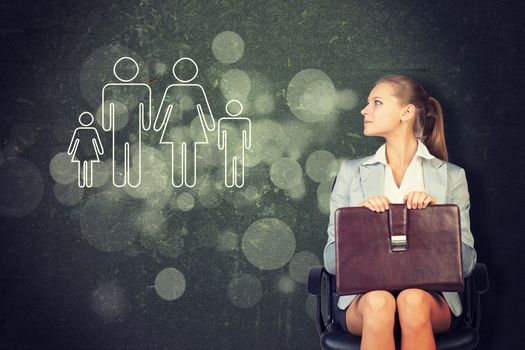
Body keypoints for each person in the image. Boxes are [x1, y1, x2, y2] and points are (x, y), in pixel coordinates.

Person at [323, 75, 477, 349]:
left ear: (407, 112)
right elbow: (331, 264)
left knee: (411, 300)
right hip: (364, 300)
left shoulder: (451, 177)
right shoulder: (351, 173)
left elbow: (466, 265)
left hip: (432, 300)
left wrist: (437, 219)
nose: (365, 110)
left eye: (377, 102)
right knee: (381, 302)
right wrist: (356, 222)